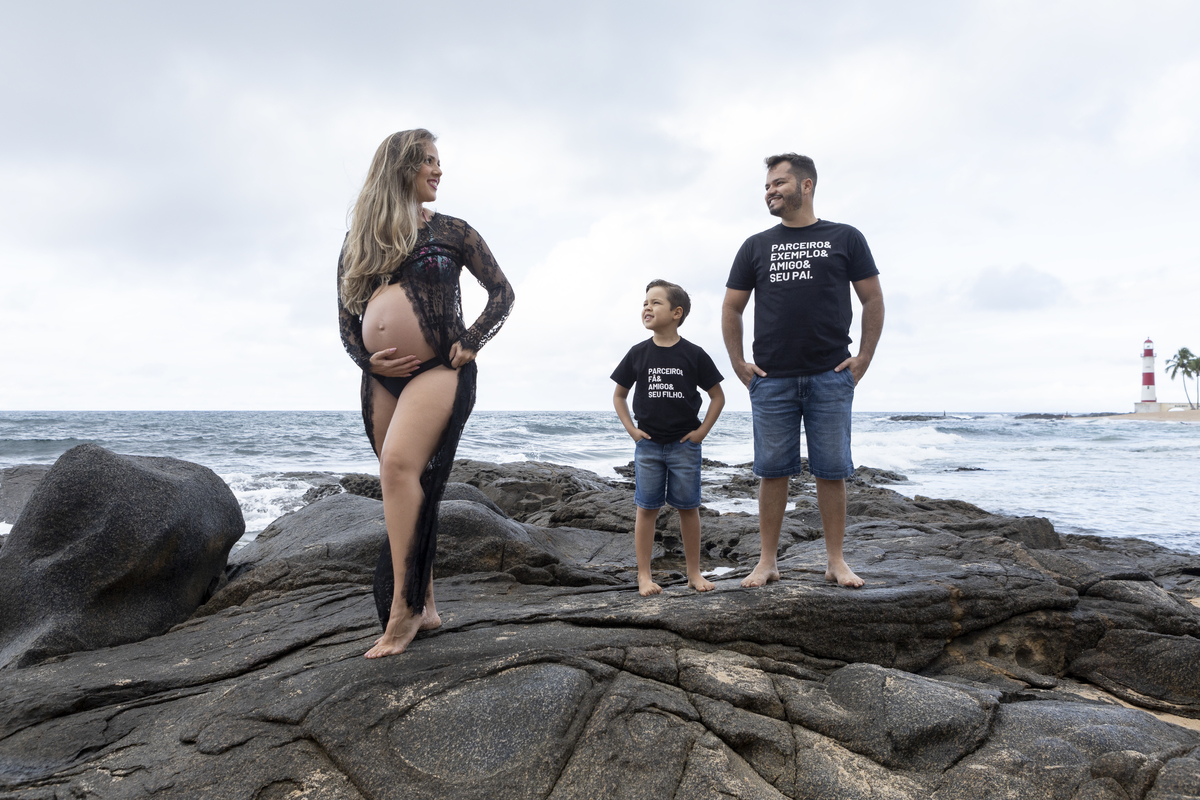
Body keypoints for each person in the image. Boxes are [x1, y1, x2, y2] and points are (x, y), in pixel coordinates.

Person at [337, 129, 515, 657]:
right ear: (401, 166)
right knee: (407, 486)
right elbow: (346, 315)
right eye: (429, 161)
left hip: (440, 367)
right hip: (381, 378)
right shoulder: (361, 238)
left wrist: (472, 339)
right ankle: (426, 603)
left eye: (439, 161)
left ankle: (403, 612)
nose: (439, 170)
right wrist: (365, 358)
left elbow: (502, 292)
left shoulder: (453, 231)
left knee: (397, 468)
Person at [722, 153, 884, 590]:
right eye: (766, 186)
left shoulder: (845, 237)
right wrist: (738, 363)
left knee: (832, 471)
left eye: (778, 183)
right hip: (771, 378)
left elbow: (872, 298)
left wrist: (864, 357)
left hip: (830, 374)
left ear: (806, 185)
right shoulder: (755, 246)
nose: (770, 192)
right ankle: (767, 562)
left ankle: (836, 562)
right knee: (772, 471)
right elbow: (732, 307)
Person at [613, 280, 725, 596]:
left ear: (677, 313)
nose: (647, 307)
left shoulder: (694, 354)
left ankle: (694, 573)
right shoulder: (638, 353)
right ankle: (644, 576)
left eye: (655, 302)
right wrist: (632, 431)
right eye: (644, 303)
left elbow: (717, 396)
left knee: (688, 508)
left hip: (683, 446)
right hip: (648, 446)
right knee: (646, 509)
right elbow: (619, 395)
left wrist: (701, 433)